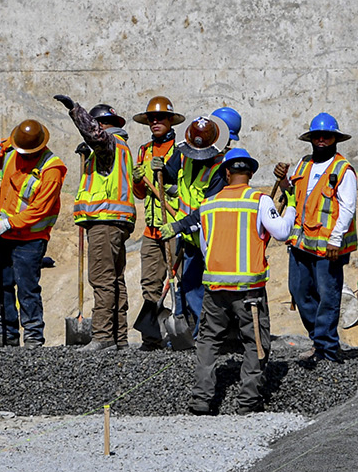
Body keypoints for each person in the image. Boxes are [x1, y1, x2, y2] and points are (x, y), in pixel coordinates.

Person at [167, 148, 293, 413]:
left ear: (226, 173)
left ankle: (201, 400)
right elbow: (281, 232)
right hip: (249, 290)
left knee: (208, 342)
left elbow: (205, 247)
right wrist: (290, 206)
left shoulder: (209, 204)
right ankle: (248, 401)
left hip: (215, 288)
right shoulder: (258, 200)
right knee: (255, 341)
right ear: (250, 173)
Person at [54, 96, 136, 350]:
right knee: (115, 279)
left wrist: (74, 110)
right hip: (116, 221)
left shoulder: (109, 144)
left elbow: (96, 136)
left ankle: (101, 336)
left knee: (101, 278)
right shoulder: (118, 148)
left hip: (105, 220)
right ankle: (118, 337)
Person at [0, 119, 67, 347]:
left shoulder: (52, 169)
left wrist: (8, 224)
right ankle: (7, 335)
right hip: (5, 235)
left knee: (27, 287)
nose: (24, 156)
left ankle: (33, 337)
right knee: (2, 283)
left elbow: (40, 209)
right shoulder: (14, 145)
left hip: (31, 238)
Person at [281, 112, 357, 364]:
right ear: (311, 139)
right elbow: (294, 196)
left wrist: (336, 239)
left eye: (327, 136)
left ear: (335, 139)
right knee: (299, 291)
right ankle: (318, 339)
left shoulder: (343, 170)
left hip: (328, 246)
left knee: (328, 295)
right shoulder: (303, 165)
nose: (321, 140)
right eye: (317, 136)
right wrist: (282, 180)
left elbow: (347, 208)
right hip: (301, 242)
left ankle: (327, 348)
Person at [157, 114, 231, 333]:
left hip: (211, 239)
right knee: (189, 286)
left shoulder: (220, 170)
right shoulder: (182, 154)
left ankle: (208, 334)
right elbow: (171, 175)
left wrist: (179, 225)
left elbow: (208, 209)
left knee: (210, 287)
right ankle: (200, 333)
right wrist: (160, 169)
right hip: (190, 239)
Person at [130, 96, 184, 349]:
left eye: (160, 118)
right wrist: (138, 180)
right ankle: (151, 337)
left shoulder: (182, 151)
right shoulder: (144, 151)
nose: (155, 122)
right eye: (151, 119)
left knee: (182, 281)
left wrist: (169, 182)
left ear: (170, 120)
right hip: (152, 229)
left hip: (175, 226)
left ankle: (187, 331)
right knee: (150, 284)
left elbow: (185, 190)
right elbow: (140, 195)